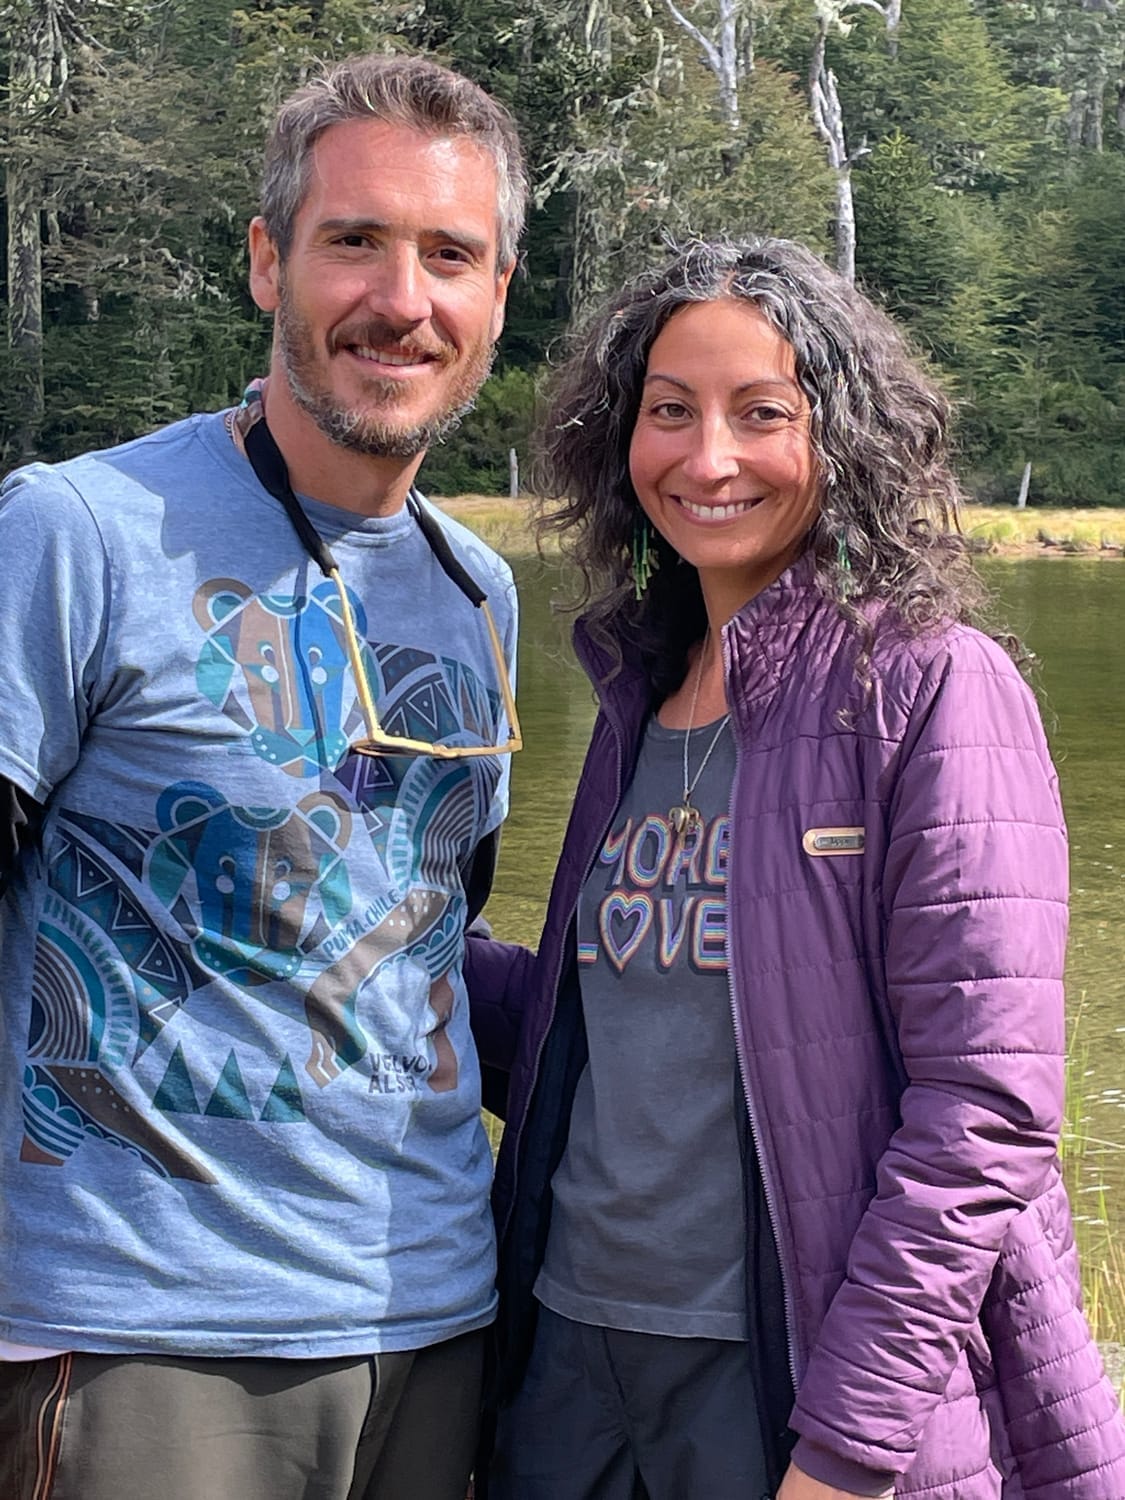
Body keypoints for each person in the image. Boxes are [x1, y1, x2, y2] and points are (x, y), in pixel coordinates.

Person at [465, 237, 1125, 1499]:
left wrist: (847, 1448)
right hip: (568, 1351)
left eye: (762, 413)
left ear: (846, 438)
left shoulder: (929, 686)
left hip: (778, 1378)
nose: (708, 458)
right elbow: (603, 1019)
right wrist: (376, 935)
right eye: (670, 411)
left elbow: (983, 1112)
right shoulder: (637, 692)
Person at [0, 52, 525, 1500]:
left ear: (496, 296)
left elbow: (432, 939)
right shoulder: (77, 533)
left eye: (449, 255)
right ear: (265, 263)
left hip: (434, 1317)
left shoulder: (477, 593)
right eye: (352, 240)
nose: (400, 300)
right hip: (139, 1339)